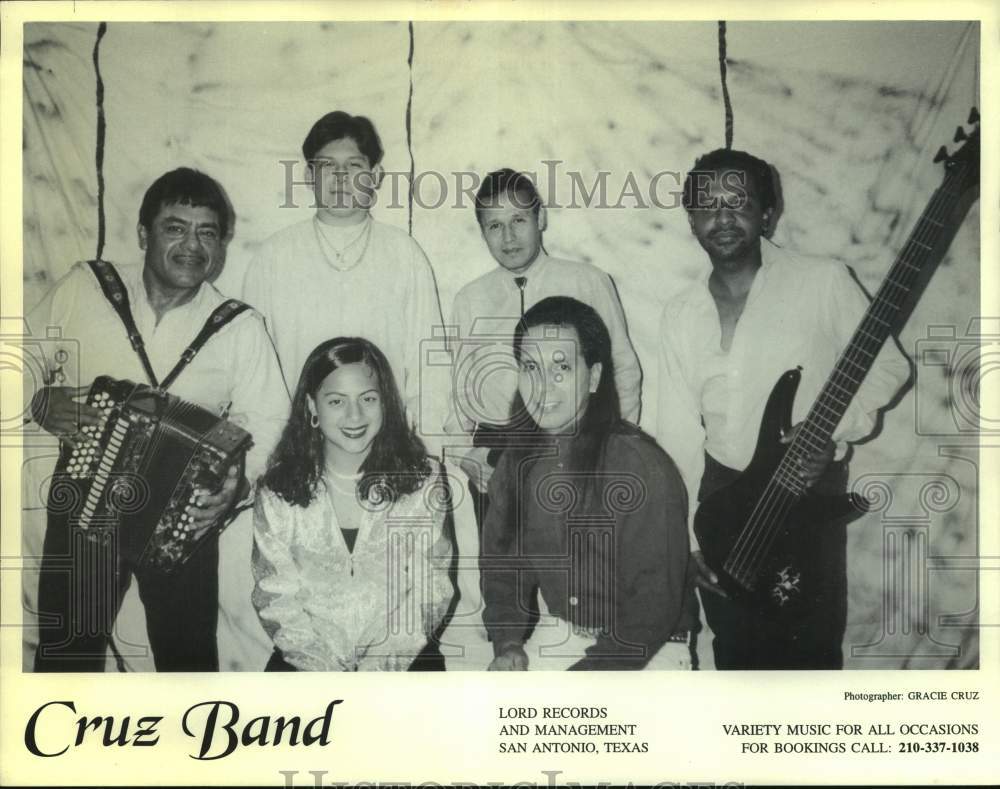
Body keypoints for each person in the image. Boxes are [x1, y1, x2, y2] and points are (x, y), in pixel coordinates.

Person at [656, 148, 910, 670]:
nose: (723, 217)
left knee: (809, 655)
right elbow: (676, 434)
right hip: (722, 502)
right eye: (708, 205)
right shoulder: (680, 313)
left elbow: (889, 368)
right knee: (735, 655)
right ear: (691, 219)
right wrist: (682, 542)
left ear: (767, 213)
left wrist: (829, 435)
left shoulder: (823, 280)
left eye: (739, 202)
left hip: (803, 495)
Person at [26, 168, 289, 671]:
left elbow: (272, 419)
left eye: (207, 232)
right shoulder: (87, 288)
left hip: (182, 516)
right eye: (175, 227)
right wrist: (37, 401)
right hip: (85, 502)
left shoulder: (239, 327)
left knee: (187, 662)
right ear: (144, 234)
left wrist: (236, 485)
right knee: (66, 656)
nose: (192, 245)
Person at [480, 297, 692, 671]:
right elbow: (503, 569)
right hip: (560, 633)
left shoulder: (641, 465)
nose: (543, 385)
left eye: (561, 367)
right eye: (531, 367)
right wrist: (509, 642)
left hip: (650, 648)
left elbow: (652, 605)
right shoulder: (515, 463)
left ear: (593, 377)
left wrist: (583, 679)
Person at [446, 169, 642, 528]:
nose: (508, 237)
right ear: (483, 232)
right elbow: (457, 392)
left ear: (542, 218)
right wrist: (465, 454)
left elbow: (624, 370)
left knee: (580, 567)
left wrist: (615, 450)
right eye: (494, 225)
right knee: (503, 573)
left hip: (577, 443)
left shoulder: (587, 281)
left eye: (518, 220)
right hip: (498, 450)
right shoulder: (470, 299)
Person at [242, 111, 445, 451]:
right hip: (295, 446)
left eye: (353, 167)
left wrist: (426, 450)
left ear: (375, 175)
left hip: (386, 445)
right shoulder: (273, 256)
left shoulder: (404, 253)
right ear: (308, 175)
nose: (340, 178)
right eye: (326, 166)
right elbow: (251, 371)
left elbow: (430, 365)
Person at [252, 337, 454, 671]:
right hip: (307, 658)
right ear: (312, 407)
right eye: (336, 401)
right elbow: (275, 596)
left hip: (402, 655)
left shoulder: (422, 479)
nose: (355, 415)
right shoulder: (277, 487)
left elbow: (430, 586)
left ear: (385, 402)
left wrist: (380, 667)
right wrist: (324, 669)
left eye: (368, 398)